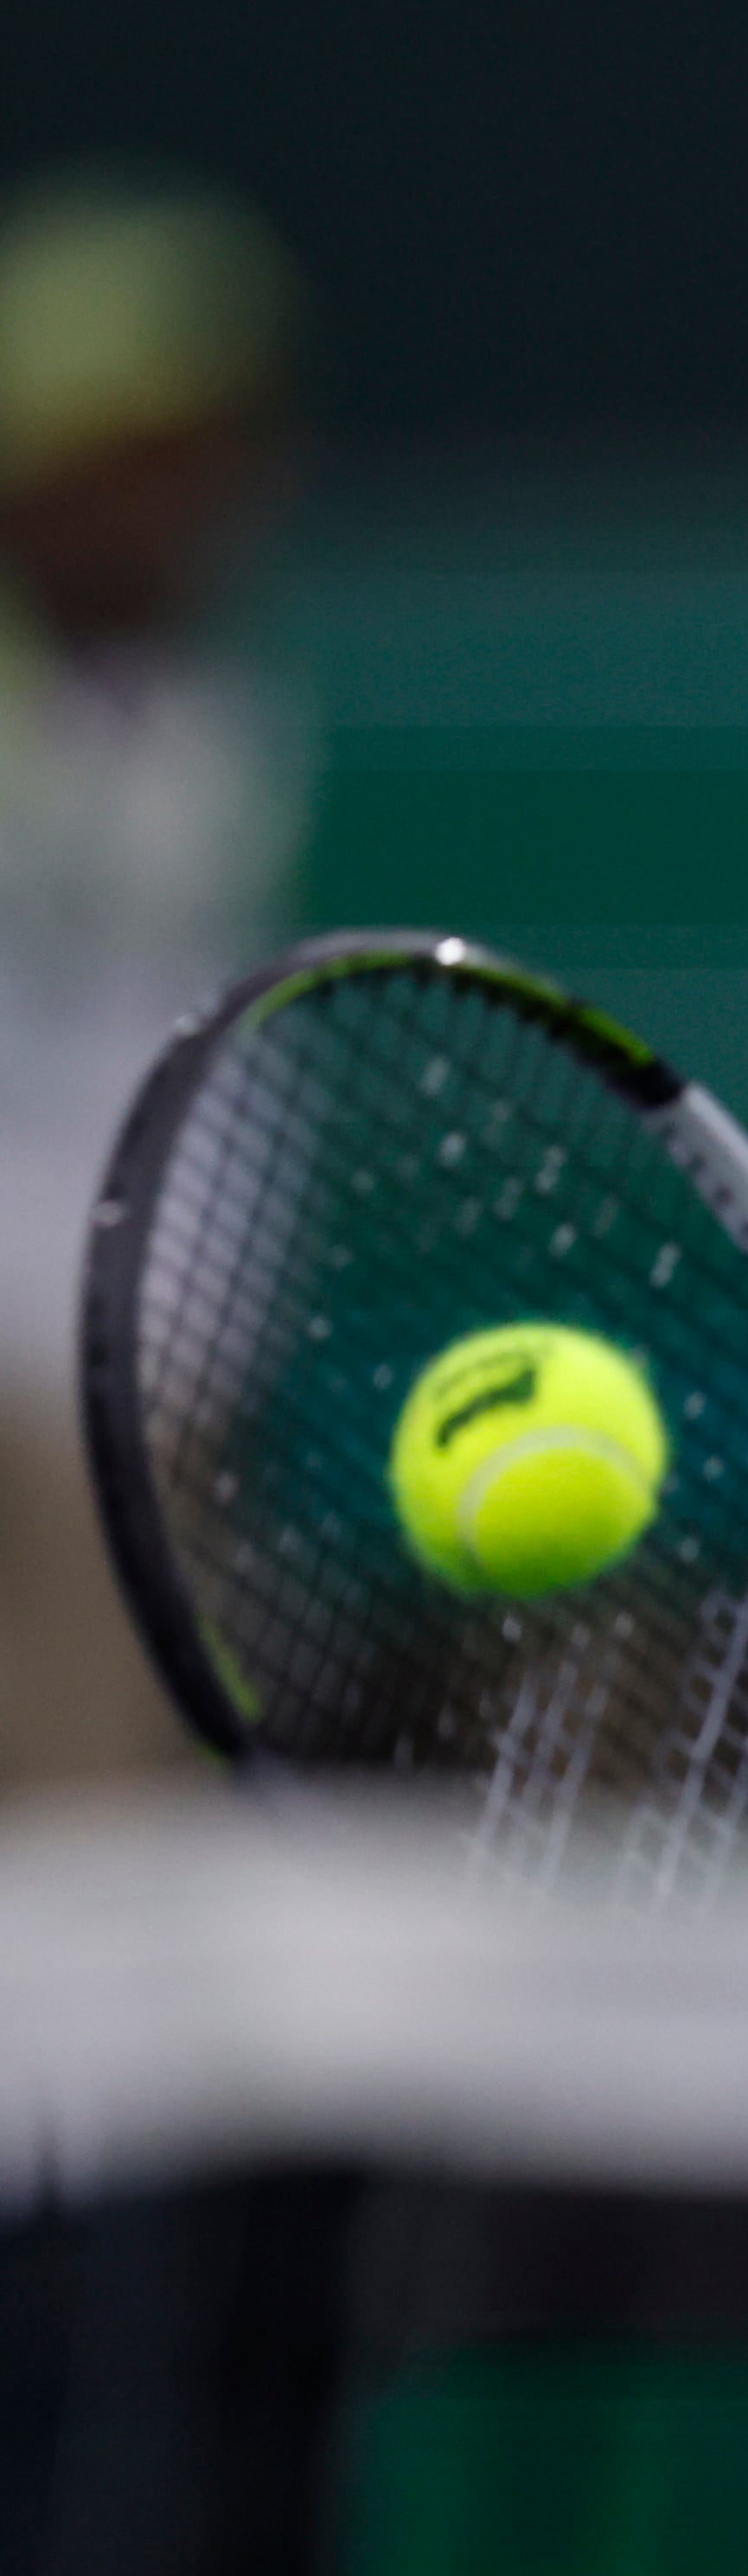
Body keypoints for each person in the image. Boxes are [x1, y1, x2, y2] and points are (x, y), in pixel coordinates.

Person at [0, 166, 304, 1801]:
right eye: (113, 456)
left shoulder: (221, 717)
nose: (164, 499)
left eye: (192, 452)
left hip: (171, 1394)